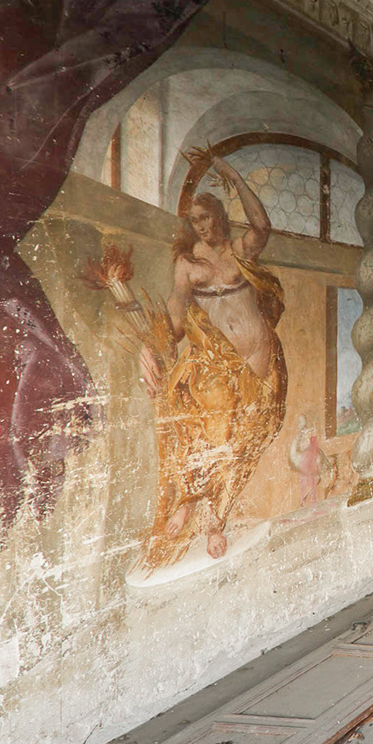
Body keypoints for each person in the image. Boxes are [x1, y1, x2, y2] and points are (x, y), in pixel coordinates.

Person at [137, 151, 288, 568]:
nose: (203, 226)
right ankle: (190, 503)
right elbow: (176, 313)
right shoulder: (188, 264)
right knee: (211, 436)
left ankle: (215, 517)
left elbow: (262, 226)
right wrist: (152, 345)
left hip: (260, 359)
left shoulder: (240, 250)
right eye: (196, 221)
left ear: (220, 216)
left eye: (207, 217)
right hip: (216, 362)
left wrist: (232, 175)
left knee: (248, 441)